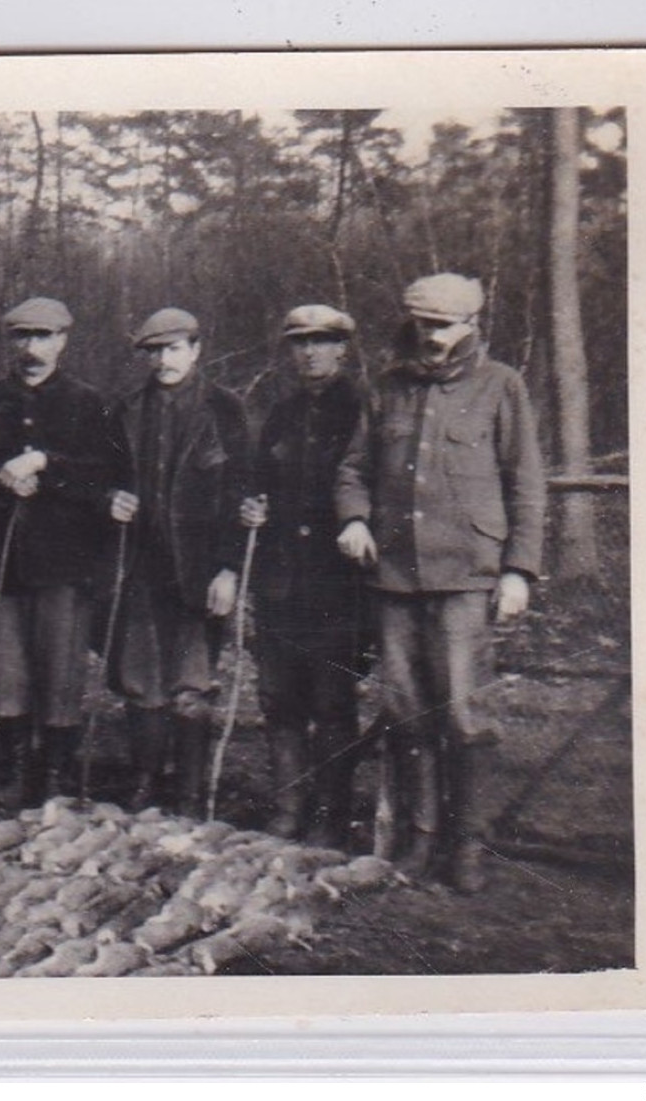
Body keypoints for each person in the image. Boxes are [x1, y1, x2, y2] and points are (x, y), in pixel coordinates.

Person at [335, 273, 546, 892]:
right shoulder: (388, 388)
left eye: (446, 326)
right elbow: (353, 467)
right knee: (404, 710)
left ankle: (467, 845)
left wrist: (517, 570)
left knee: (462, 712)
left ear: (472, 325)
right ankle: (421, 839)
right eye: (425, 325)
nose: (433, 338)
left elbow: (525, 483)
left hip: (466, 575)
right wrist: (353, 517)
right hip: (396, 575)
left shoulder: (501, 386)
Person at [105, 307, 260, 815]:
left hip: (200, 565)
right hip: (141, 567)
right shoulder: (126, 409)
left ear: (196, 350)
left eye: (173, 349)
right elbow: (104, 473)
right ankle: (146, 779)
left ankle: (190, 792)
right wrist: (111, 496)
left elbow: (244, 492)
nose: (163, 360)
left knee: (191, 680)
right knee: (141, 679)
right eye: (153, 351)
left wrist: (229, 569)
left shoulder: (225, 409)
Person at [0, 296, 118, 806]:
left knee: (60, 666)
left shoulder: (88, 402)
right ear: (11, 342)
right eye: (23, 337)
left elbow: (104, 478)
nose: (32, 348)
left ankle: (55, 769)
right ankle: (14, 766)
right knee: (7, 666)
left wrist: (45, 466)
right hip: (4, 560)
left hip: (65, 559)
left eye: (43, 337)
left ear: (63, 341)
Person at [247, 304, 372, 847]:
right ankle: (289, 807)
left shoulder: (365, 410)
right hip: (280, 583)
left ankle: (332, 814)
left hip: (338, 584)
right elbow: (256, 484)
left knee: (332, 700)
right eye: (300, 342)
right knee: (279, 699)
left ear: (343, 348)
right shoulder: (279, 414)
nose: (310, 352)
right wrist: (250, 509)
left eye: (322, 342)